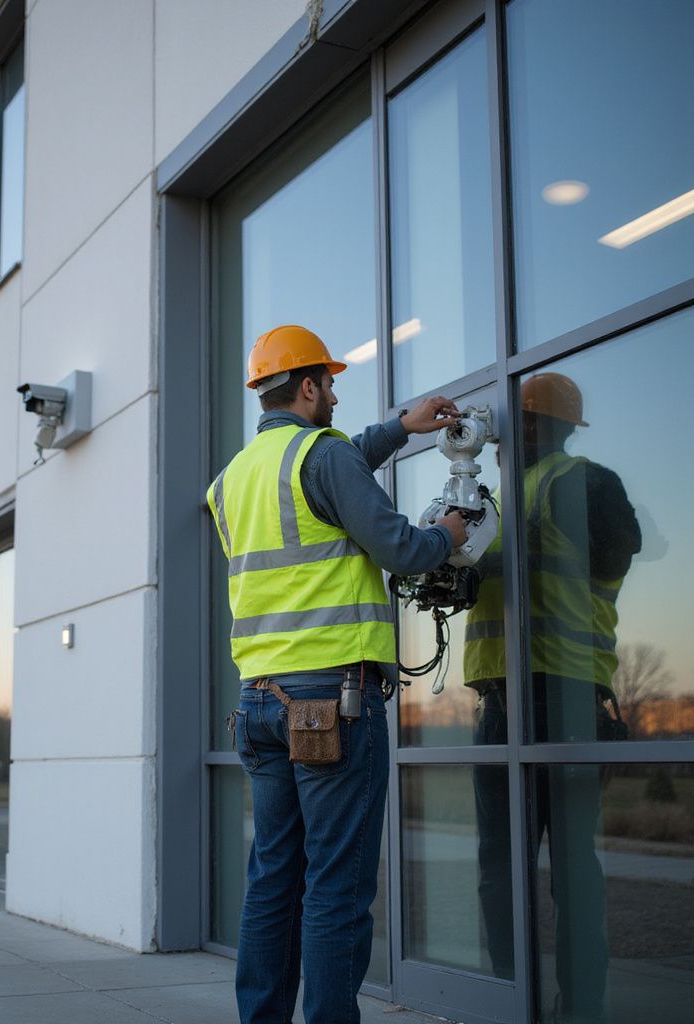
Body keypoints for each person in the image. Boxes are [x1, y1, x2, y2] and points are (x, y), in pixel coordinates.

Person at [207, 324, 468, 1024]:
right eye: (331, 384)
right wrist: (451, 532)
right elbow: (401, 549)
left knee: (273, 879)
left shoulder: (233, 478)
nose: (336, 396)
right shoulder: (321, 455)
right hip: (330, 701)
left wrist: (396, 430)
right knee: (335, 887)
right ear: (310, 386)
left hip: (257, 702)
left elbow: (331, 472)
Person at [464, 372, 641, 1023]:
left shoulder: (582, 482)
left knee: (569, 870)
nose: (510, 437)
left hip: (560, 696)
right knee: (498, 869)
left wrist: (509, 553)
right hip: (499, 703)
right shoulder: (496, 505)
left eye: (525, 422)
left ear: (555, 428)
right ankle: (511, 997)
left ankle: (580, 1009)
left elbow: (618, 548)